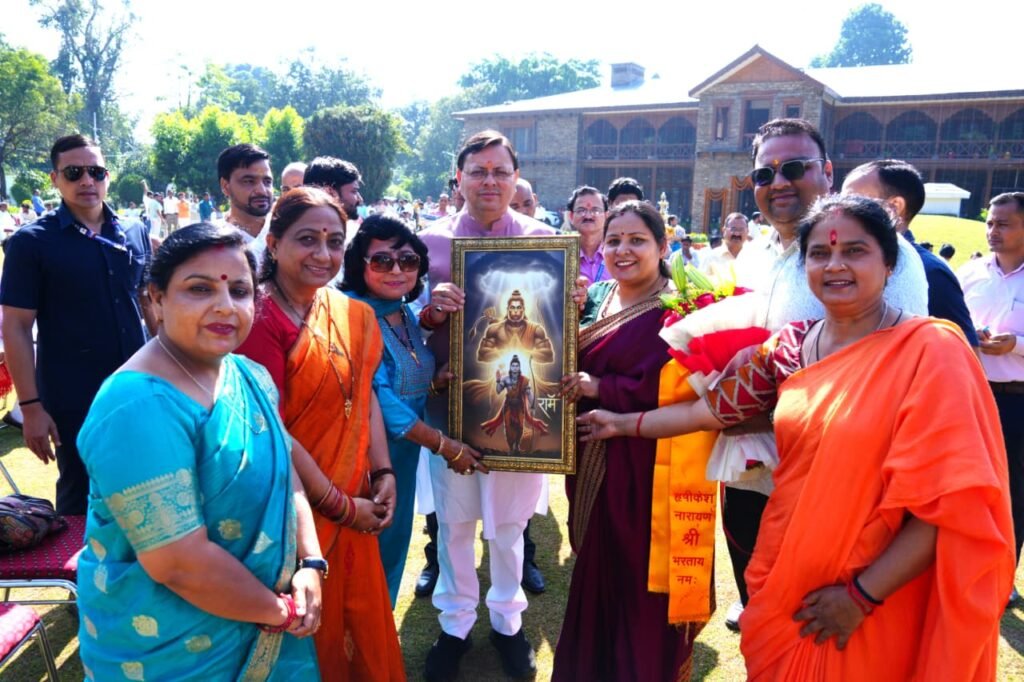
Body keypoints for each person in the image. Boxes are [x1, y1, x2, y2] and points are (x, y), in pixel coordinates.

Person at [580, 194, 1013, 680]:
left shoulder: (930, 352)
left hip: (881, 587)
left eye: (855, 250)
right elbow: (709, 412)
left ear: (889, 263)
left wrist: (861, 596)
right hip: (789, 564)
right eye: (820, 253)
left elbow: (949, 508)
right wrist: (622, 424)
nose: (835, 265)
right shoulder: (788, 347)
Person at [684, 119, 927, 633]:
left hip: (835, 486)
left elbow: (896, 377)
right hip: (748, 473)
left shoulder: (884, 252)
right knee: (760, 618)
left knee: (819, 630)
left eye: (794, 168)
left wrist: (762, 414)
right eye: (764, 173)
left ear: (828, 172)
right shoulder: (753, 253)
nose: (778, 182)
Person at [76, 223, 322, 680]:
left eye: (240, 291)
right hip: (168, 650)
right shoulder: (137, 406)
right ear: (156, 298)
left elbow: (286, 478)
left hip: (265, 614)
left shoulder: (248, 375)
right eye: (200, 289)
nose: (225, 306)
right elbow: (179, 563)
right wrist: (280, 612)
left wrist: (310, 562)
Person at [235, 187, 405, 680]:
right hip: (291, 509)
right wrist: (340, 506)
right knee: (310, 637)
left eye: (334, 241)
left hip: (355, 493)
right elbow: (270, 431)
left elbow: (364, 394)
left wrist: (383, 471)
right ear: (273, 244)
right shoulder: (258, 319)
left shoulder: (352, 312)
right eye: (307, 239)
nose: (323, 254)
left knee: (358, 625)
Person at [418, 130, 556, 681]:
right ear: (460, 179)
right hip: (450, 408)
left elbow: (558, 332)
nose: (490, 181)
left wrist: (568, 302)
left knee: (509, 525)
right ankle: (454, 625)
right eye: (478, 171)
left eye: (500, 171)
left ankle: (507, 622)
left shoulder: (546, 242)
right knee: (454, 524)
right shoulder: (428, 244)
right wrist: (431, 312)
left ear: (516, 177)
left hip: (522, 404)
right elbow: (402, 325)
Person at [553, 201, 701, 681]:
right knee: (597, 569)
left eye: (637, 240)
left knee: (640, 577)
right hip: (591, 453)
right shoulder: (596, 296)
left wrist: (603, 387)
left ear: (662, 246)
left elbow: (683, 389)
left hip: (651, 465)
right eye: (614, 240)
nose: (623, 250)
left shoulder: (685, 307)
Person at [1, 134, 152, 514]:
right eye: (74, 173)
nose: (87, 181)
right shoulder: (31, 242)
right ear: (55, 179)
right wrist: (31, 407)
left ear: (107, 176)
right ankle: (80, 557)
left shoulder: (133, 230)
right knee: (82, 491)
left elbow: (149, 303)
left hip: (139, 383)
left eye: (96, 172)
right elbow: (15, 326)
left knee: (149, 478)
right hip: (73, 394)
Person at [339, 213, 485, 607]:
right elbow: (380, 400)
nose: (396, 270)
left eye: (407, 260)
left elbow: (406, 373)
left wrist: (435, 382)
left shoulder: (400, 311)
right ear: (359, 264)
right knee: (364, 558)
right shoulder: (353, 314)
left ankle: (378, 634)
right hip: (368, 462)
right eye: (382, 260)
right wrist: (446, 446)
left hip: (402, 457)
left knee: (389, 551)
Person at [958, 191, 1024, 602]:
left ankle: (1003, 577)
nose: (993, 231)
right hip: (970, 395)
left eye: (1004, 224)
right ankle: (965, 569)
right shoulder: (969, 273)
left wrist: (1016, 344)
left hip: (1017, 400)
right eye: (990, 223)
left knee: (1013, 490)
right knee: (965, 486)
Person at [842, 159, 977, 347]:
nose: (840, 209)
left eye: (852, 200)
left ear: (894, 207)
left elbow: (966, 349)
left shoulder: (931, 270)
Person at [217, 144, 274, 248]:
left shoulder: (287, 230)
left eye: (267, 181)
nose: (262, 191)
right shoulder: (215, 240)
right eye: (249, 181)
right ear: (225, 186)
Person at [303, 156, 364, 242]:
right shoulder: (295, 231)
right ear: (329, 192)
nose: (360, 200)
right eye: (354, 191)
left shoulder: (352, 235)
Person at [567, 185, 611, 284]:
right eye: (581, 210)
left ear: (606, 216)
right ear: (571, 216)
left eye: (595, 210)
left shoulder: (617, 253)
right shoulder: (563, 255)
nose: (588, 216)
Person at [702, 212, 748, 280]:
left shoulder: (753, 257)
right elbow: (701, 283)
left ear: (747, 231)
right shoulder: (711, 257)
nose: (737, 234)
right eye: (733, 229)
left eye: (741, 229)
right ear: (724, 230)